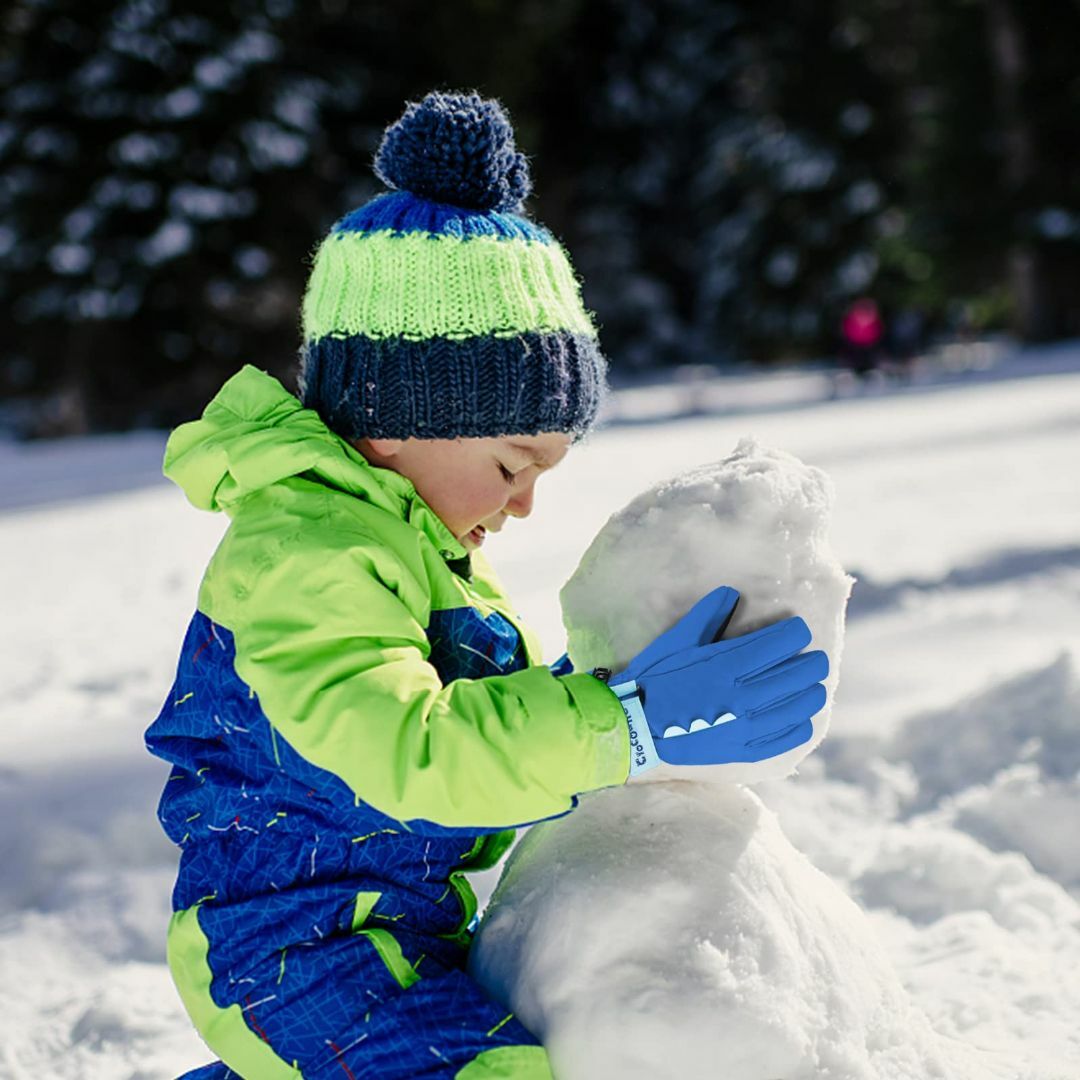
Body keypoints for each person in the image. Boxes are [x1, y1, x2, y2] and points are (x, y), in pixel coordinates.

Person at [146, 91, 829, 1080]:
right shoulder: (306, 556)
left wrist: (615, 682)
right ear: (400, 413)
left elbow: (469, 726)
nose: (522, 510)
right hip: (289, 952)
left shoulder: (404, 542)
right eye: (514, 466)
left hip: (387, 932)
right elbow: (411, 751)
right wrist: (620, 723)